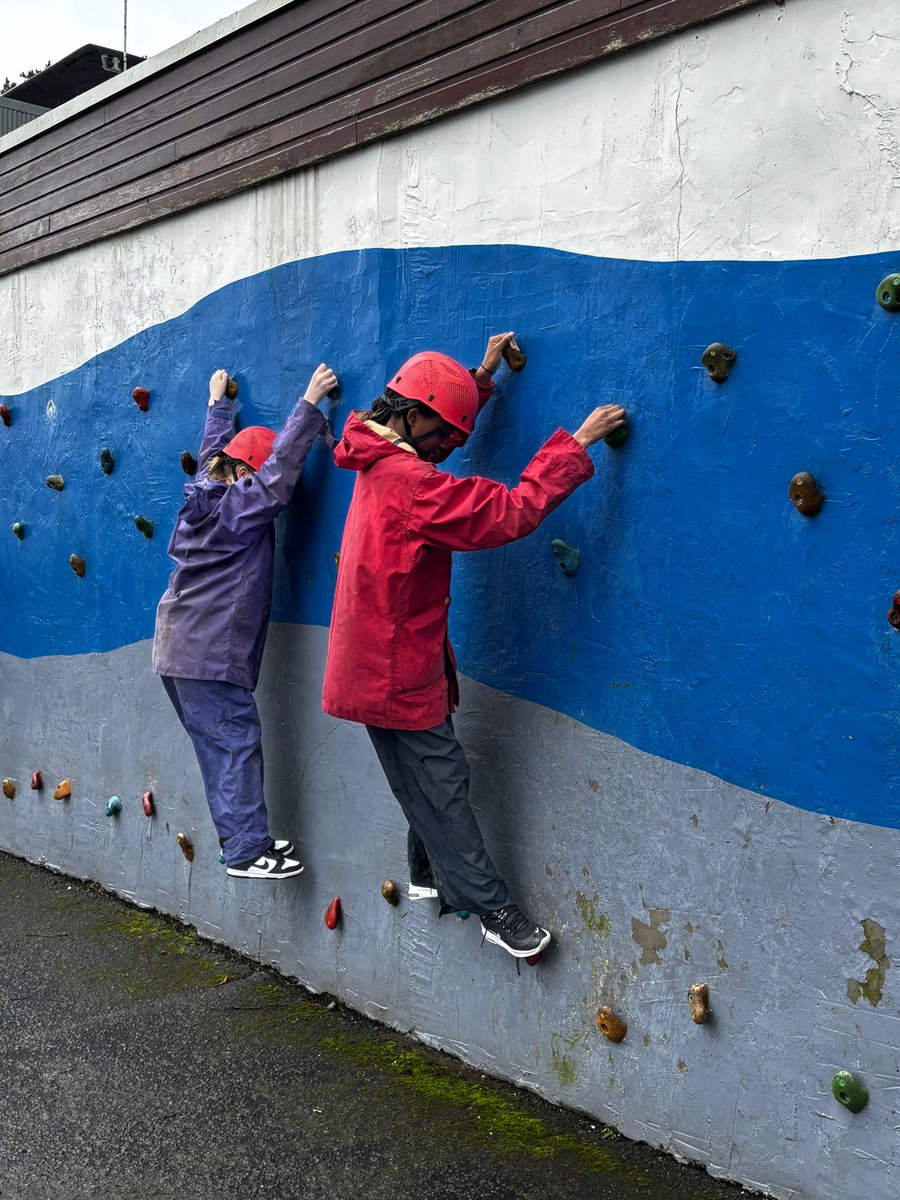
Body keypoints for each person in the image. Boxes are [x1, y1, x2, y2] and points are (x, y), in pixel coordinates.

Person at [321, 333, 626, 956]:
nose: (448, 448)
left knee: (419, 774)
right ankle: (491, 908)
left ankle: (430, 873)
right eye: (441, 437)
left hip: (375, 657)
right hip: (393, 666)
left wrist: (480, 378)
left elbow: (441, 425)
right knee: (441, 780)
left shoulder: (377, 458)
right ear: (409, 418)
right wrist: (577, 444)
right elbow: (509, 512)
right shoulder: (414, 485)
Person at [153, 363, 337, 879]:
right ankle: (244, 851)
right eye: (249, 476)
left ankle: (245, 836)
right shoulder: (237, 510)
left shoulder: (204, 491)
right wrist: (310, 401)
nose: (257, 488)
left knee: (220, 744)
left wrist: (219, 404)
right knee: (233, 741)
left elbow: (215, 452)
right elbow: (275, 481)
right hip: (207, 652)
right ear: (239, 475)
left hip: (178, 648)